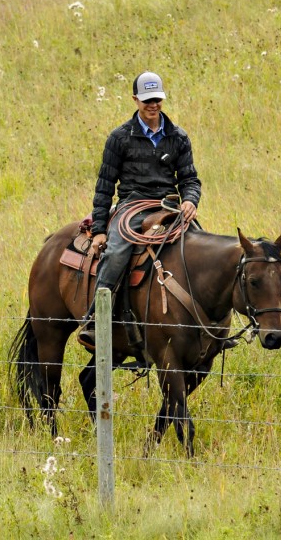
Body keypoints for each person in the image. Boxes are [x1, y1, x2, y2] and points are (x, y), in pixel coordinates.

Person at [78, 71, 202, 348]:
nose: (153, 105)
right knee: (117, 252)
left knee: (202, 246)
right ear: (135, 99)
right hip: (131, 207)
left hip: (168, 205)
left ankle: (207, 324)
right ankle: (95, 320)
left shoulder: (179, 137)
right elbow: (104, 187)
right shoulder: (119, 138)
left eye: (157, 99)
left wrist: (190, 199)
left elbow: (190, 179)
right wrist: (99, 230)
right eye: (147, 100)